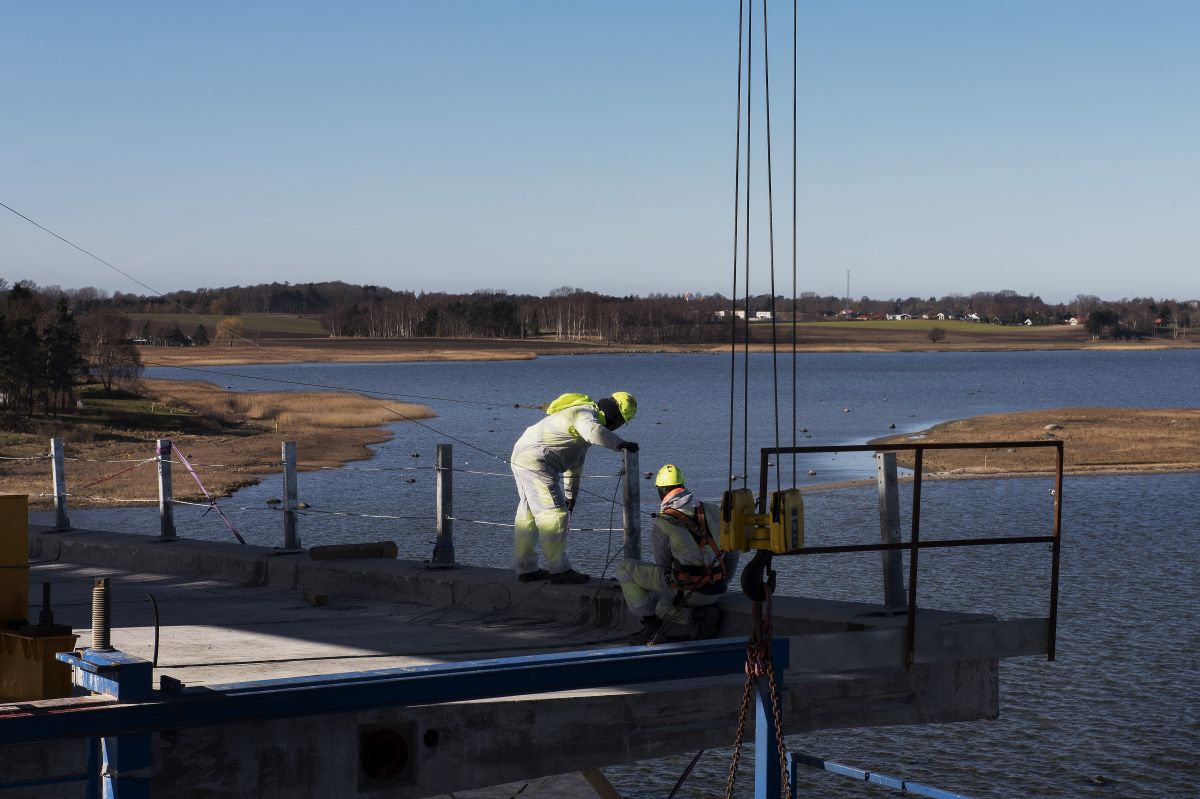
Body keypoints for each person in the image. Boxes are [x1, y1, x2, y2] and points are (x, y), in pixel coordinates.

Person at [511, 391, 638, 584]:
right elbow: (595, 432)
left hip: (523, 455)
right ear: (615, 416)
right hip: (537, 460)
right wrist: (621, 444)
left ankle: (526, 568)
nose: (617, 426)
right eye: (620, 422)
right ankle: (559, 570)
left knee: (527, 515)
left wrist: (571, 497)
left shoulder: (578, 425)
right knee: (553, 514)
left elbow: (574, 465)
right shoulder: (584, 414)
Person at [616, 464, 738, 644]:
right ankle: (699, 613)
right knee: (663, 605)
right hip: (716, 589)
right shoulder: (711, 509)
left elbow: (662, 566)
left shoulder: (663, 522)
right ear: (682, 486)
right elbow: (733, 549)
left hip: (688, 592)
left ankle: (652, 626)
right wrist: (723, 581)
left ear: (661, 492)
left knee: (624, 569)